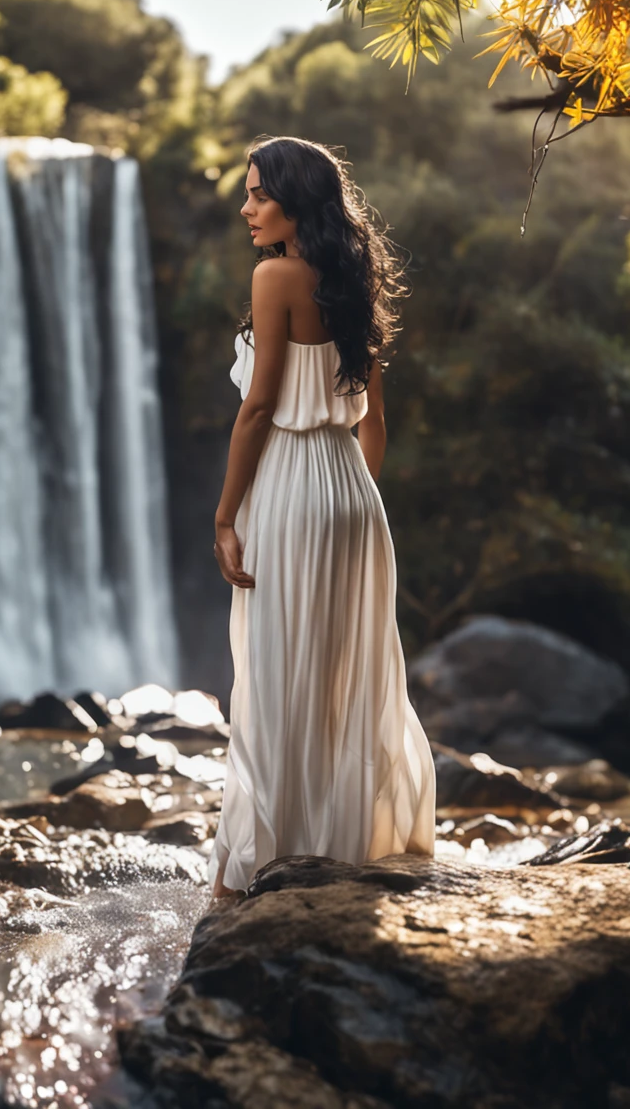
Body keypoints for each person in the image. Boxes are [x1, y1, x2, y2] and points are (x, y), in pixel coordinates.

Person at [210, 134, 435, 902]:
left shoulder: (275, 276)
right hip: (350, 495)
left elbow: (259, 409)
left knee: (277, 679)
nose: (246, 209)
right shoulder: (353, 273)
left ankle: (253, 873)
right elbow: (373, 419)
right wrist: (349, 500)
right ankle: (353, 846)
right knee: (345, 677)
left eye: (258, 196)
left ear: (295, 202)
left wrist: (225, 515)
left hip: (290, 487)